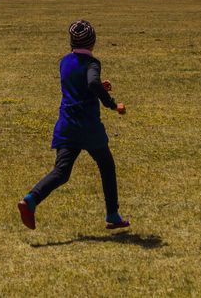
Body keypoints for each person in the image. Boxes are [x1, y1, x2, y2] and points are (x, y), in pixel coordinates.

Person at [18, 19, 129, 230]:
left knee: (61, 171)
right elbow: (91, 82)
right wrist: (112, 104)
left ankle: (30, 200)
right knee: (106, 166)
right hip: (87, 126)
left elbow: (80, 83)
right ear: (92, 41)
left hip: (66, 124)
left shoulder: (64, 62)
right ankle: (113, 215)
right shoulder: (92, 64)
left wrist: (98, 87)